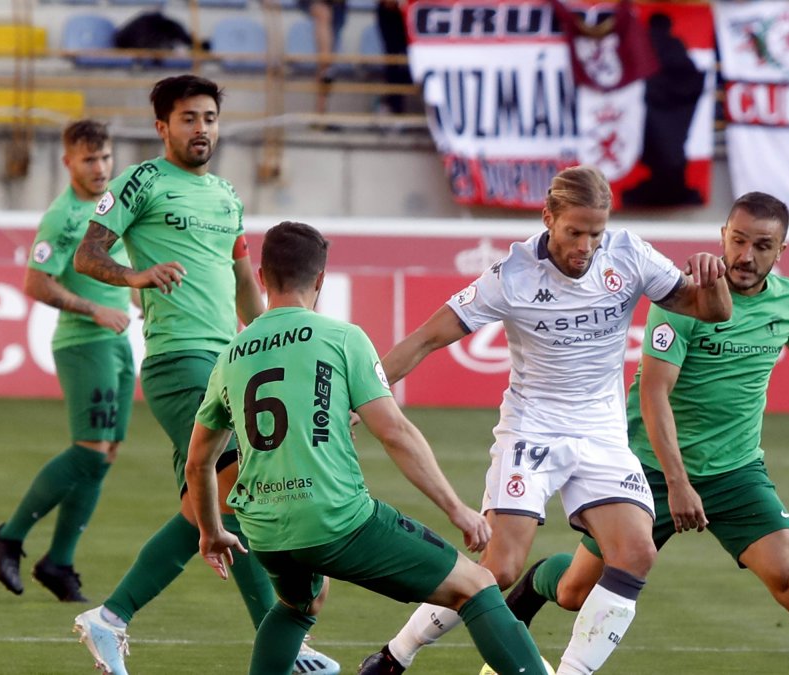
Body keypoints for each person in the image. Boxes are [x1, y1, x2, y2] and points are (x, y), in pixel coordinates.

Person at [358, 165, 732, 675]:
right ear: (548, 218)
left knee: (636, 552)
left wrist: (714, 278)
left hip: (601, 433)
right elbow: (426, 338)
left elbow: (712, 311)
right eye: (574, 232)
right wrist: (365, 397)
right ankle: (394, 655)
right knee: (499, 569)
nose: (585, 246)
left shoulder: (629, 255)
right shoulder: (511, 275)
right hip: (532, 430)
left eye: (595, 233)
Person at [502, 192, 789, 674]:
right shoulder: (686, 299)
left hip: (736, 472)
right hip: (650, 470)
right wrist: (677, 483)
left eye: (762, 246)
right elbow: (653, 393)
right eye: (738, 240)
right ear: (723, 236)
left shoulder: (788, 300)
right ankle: (537, 583)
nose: (746, 256)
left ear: (781, 250)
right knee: (575, 592)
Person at [186, 221, 550, 675]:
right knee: (475, 584)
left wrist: (210, 531)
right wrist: (456, 509)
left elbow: (198, 462)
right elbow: (394, 432)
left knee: (301, 602)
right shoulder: (342, 338)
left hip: (265, 531)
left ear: (261, 276)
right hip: (336, 520)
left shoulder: (232, 355)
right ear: (320, 279)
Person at [68, 76, 339, 675]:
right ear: (162, 127)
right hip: (179, 361)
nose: (202, 129)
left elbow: (243, 283)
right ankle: (118, 617)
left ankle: (116, 618)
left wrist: (273, 345)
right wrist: (135, 277)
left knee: (217, 506)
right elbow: (87, 255)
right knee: (241, 479)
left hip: (226, 364)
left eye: (210, 118)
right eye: (189, 118)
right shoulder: (140, 181)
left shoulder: (226, 195)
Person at [0, 120, 133, 604]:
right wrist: (94, 309)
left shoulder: (112, 204)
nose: (100, 167)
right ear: (68, 162)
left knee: (106, 454)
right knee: (88, 451)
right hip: (84, 341)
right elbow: (35, 282)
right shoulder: (63, 217)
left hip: (118, 343)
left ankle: (59, 562)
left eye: (105, 157)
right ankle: (8, 536)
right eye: (89, 159)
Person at [298, 0, 347, 119]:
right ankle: (320, 115)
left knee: (325, 66)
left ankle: (320, 114)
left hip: (337, 7)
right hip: (319, 4)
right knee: (323, 13)